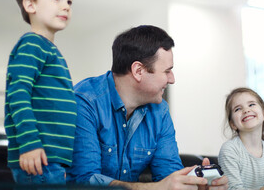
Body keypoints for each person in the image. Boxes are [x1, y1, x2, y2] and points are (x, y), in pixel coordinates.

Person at [67, 25, 228, 190]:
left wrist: (194, 186)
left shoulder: (160, 112)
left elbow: (169, 175)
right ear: (138, 71)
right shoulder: (84, 101)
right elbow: (84, 181)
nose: (172, 79)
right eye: (167, 71)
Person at [4, 0, 78, 184]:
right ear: (30, 5)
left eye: (69, 1)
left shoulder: (49, 49)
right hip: (38, 158)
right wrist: (30, 143)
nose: (65, 6)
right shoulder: (32, 44)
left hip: (51, 160)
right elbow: (17, 94)